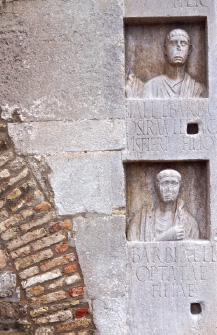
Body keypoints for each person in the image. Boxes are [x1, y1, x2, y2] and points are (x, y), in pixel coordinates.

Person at [126, 29, 206, 98]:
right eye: (173, 43)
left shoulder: (198, 89)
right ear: (165, 49)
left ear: (189, 50)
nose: (178, 47)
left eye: (183, 43)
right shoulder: (151, 86)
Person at [127, 169, 199, 241]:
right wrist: (164, 237)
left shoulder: (189, 222)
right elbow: (132, 249)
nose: (169, 189)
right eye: (165, 183)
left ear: (179, 187)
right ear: (157, 186)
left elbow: (194, 250)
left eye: (174, 183)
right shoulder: (140, 219)